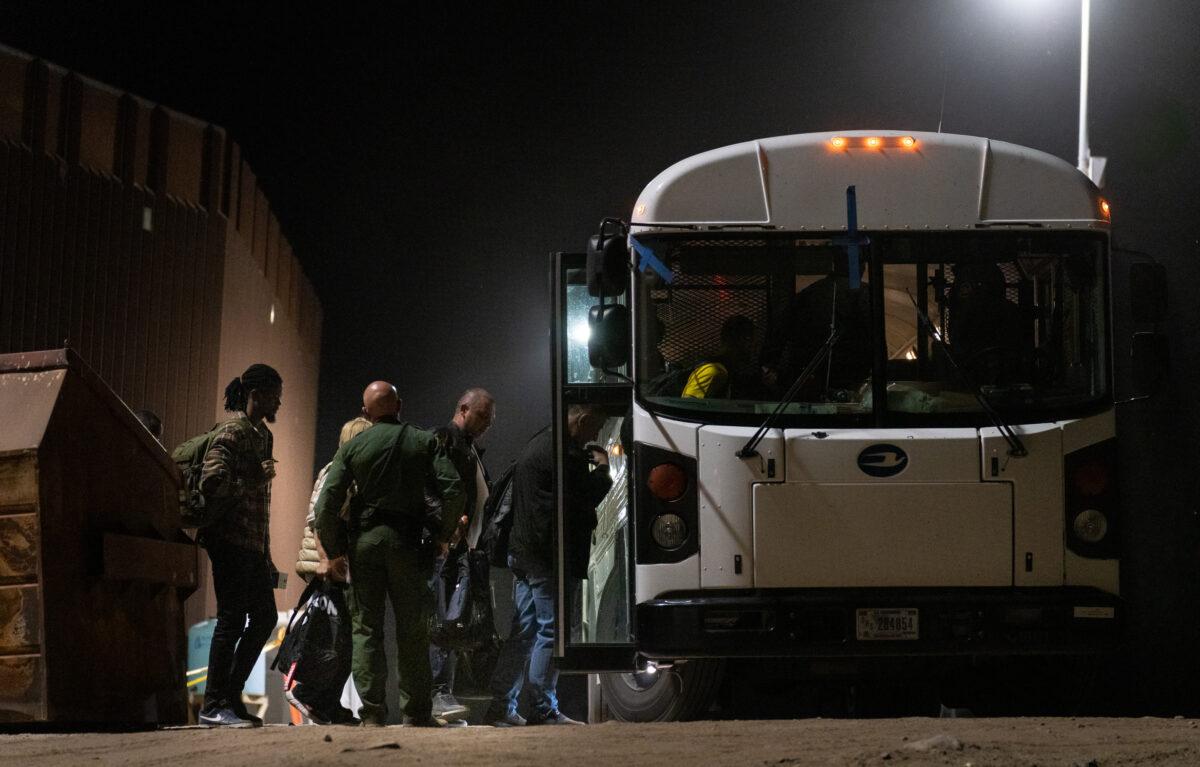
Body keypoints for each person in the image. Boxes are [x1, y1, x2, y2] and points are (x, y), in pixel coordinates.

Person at [314, 381, 465, 727]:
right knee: (413, 630)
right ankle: (415, 714)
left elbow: (326, 505)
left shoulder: (353, 448)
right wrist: (443, 535)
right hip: (408, 546)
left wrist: (335, 551)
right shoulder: (423, 441)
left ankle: (372, 714)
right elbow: (453, 490)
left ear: (366, 413)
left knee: (366, 629)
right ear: (400, 405)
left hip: (364, 545)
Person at [485, 404, 613, 727]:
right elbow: (583, 498)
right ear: (582, 419)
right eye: (594, 428)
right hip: (546, 556)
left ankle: (501, 706)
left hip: (524, 552)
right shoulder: (563, 452)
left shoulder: (540, 441)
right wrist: (603, 469)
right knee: (552, 630)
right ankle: (542, 708)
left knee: (523, 631)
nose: (595, 435)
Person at [197, 363, 283, 728]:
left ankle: (229, 696)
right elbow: (211, 483)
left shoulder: (263, 435)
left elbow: (262, 504)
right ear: (256, 395)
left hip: (251, 546)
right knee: (231, 620)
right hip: (229, 541)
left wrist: (267, 555)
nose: (278, 402)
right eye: (275, 395)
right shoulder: (232, 432)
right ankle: (213, 704)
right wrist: (250, 478)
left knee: (263, 618)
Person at [287, 415, 373, 725]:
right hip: (327, 565)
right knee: (335, 636)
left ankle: (328, 703)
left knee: (344, 637)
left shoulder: (350, 474)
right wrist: (326, 559)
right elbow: (317, 518)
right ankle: (309, 694)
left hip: (338, 564)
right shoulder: (335, 472)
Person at [427, 388, 497, 721]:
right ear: (463, 408)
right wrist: (446, 522)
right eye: (482, 415)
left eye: (490, 419)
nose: (487, 424)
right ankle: (438, 695)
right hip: (447, 548)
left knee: (454, 622)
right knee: (443, 620)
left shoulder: (468, 448)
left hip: (463, 550)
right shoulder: (444, 438)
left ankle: (442, 695)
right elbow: (428, 485)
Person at [681, 314, 757, 399]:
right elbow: (689, 407)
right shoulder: (713, 371)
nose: (753, 347)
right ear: (738, 340)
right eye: (749, 340)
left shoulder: (724, 370)